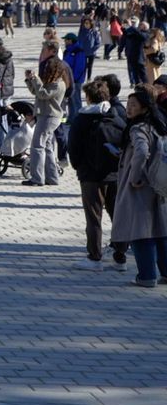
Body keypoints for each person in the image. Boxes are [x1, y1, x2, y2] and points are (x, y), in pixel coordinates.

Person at [112, 86, 167, 287]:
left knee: (139, 230)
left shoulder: (138, 128)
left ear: (144, 108)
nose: (128, 108)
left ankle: (146, 276)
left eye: (133, 105)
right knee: (161, 230)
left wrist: (135, 176)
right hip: (159, 183)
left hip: (141, 186)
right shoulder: (158, 126)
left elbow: (142, 151)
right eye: (128, 104)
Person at [69, 80, 125, 268]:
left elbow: (73, 148)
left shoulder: (82, 119)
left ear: (88, 98)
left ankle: (95, 257)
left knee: (94, 218)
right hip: (114, 174)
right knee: (117, 216)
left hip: (91, 177)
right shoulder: (115, 116)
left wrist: (79, 167)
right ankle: (120, 256)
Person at [23, 57, 68, 186]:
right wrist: (30, 79)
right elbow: (36, 92)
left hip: (49, 117)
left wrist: (36, 79)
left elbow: (43, 94)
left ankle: (37, 178)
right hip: (45, 115)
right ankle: (52, 178)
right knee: (47, 147)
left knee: (37, 146)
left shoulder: (58, 84)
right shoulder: (50, 81)